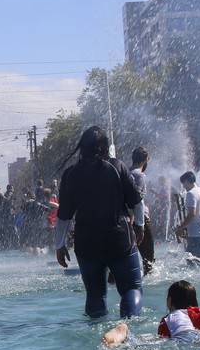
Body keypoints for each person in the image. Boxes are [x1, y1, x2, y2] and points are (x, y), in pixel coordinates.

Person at [55, 126, 145, 319]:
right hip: (119, 240)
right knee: (132, 288)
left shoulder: (71, 175)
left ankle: (96, 330)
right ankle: (128, 326)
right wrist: (140, 225)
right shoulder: (117, 166)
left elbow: (63, 216)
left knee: (95, 295)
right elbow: (136, 202)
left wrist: (59, 245)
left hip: (87, 244)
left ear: (82, 147)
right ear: (105, 146)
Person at [103, 279, 200, 347]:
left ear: (169, 301)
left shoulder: (168, 319)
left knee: (146, 345)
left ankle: (125, 332)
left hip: (180, 339)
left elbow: (163, 339)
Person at [175, 171, 200, 260]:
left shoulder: (191, 193)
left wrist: (181, 227)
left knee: (196, 261)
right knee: (192, 259)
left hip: (195, 232)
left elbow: (192, 213)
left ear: (186, 181)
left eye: (183, 184)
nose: (183, 187)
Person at [131, 147, 156, 275]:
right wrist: (141, 226)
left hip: (125, 220)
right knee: (148, 259)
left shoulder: (125, 172)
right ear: (145, 160)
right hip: (140, 220)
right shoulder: (139, 175)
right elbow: (138, 200)